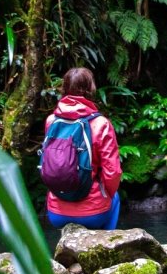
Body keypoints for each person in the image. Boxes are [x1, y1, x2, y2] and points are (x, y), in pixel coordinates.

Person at [42, 67, 123, 229]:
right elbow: (112, 172)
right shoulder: (101, 124)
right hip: (93, 214)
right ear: (90, 89)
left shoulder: (51, 121)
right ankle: (105, 248)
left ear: (64, 88)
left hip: (56, 213)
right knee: (114, 198)